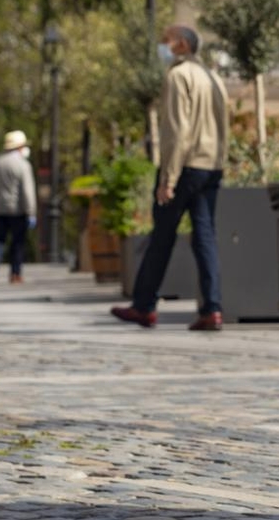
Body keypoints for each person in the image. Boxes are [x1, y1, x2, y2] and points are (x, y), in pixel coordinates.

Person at [111, 24, 230, 331]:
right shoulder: (213, 77)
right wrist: (219, 163)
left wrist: (168, 179)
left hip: (185, 165)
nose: (162, 46)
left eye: (165, 41)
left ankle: (143, 306)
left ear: (180, 44)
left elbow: (176, 131)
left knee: (161, 238)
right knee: (205, 237)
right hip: (211, 165)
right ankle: (212, 309)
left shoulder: (179, 76)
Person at [0, 130, 37, 284]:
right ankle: (15, 274)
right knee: (17, 242)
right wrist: (31, 212)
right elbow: (27, 191)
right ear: (20, 147)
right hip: (16, 210)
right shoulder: (23, 164)